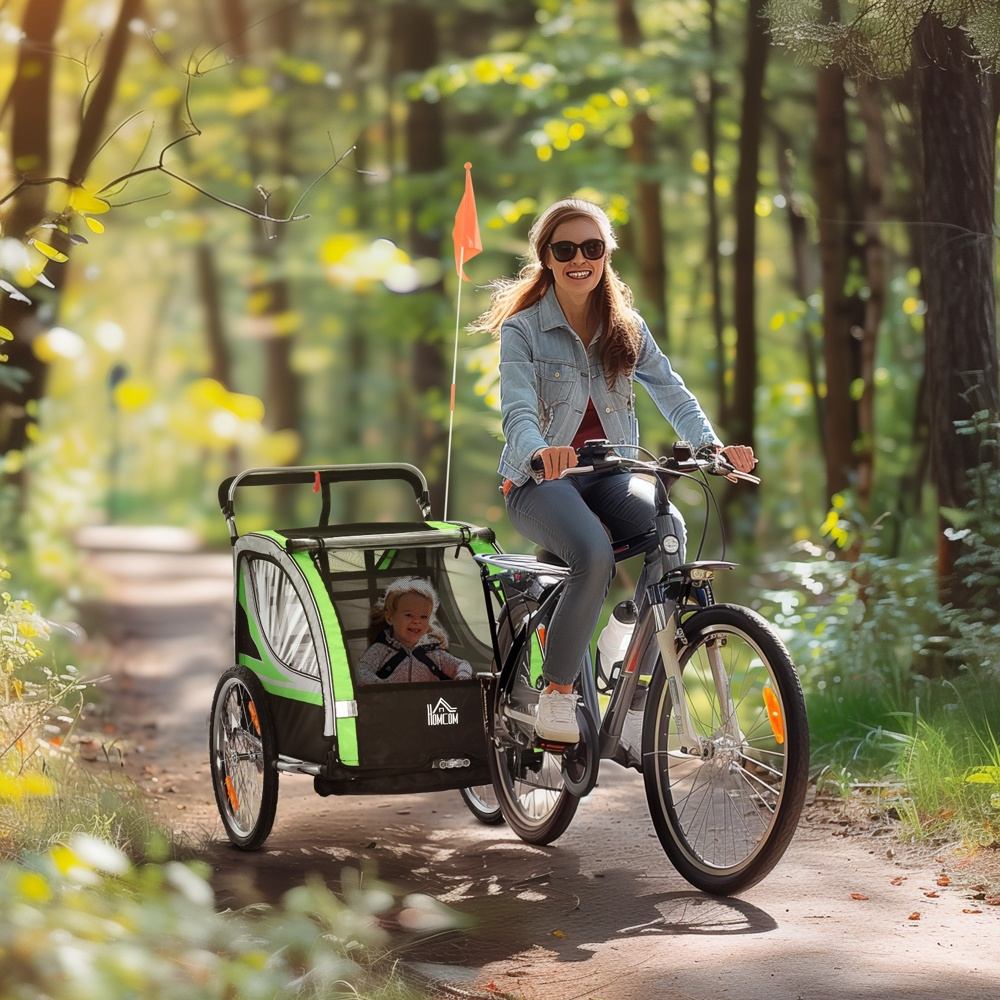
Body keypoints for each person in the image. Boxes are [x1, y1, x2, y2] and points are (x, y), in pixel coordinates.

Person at [470, 197, 756, 743]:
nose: (581, 258)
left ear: (606, 255)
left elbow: (674, 394)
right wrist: (539, 451)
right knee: (594, 553)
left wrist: (713, 449)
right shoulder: (524, 329)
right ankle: (557, 694)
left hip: (610, 474)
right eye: (566, 248)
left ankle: (632, 677)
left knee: (669, 530)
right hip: (541, 483)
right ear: (547, 258)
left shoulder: (626, 327)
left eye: (593, 247)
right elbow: (518, 408)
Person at [357, 576, 473, 684]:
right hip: (392, 703)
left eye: (423, 617)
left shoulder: (434, 653)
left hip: (430, 705)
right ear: (389, 617)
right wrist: (381, 687)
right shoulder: (381, 650)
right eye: (409, 615)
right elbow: (361, 671)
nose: (417, 621)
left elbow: (462, 664)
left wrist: (462, 675)